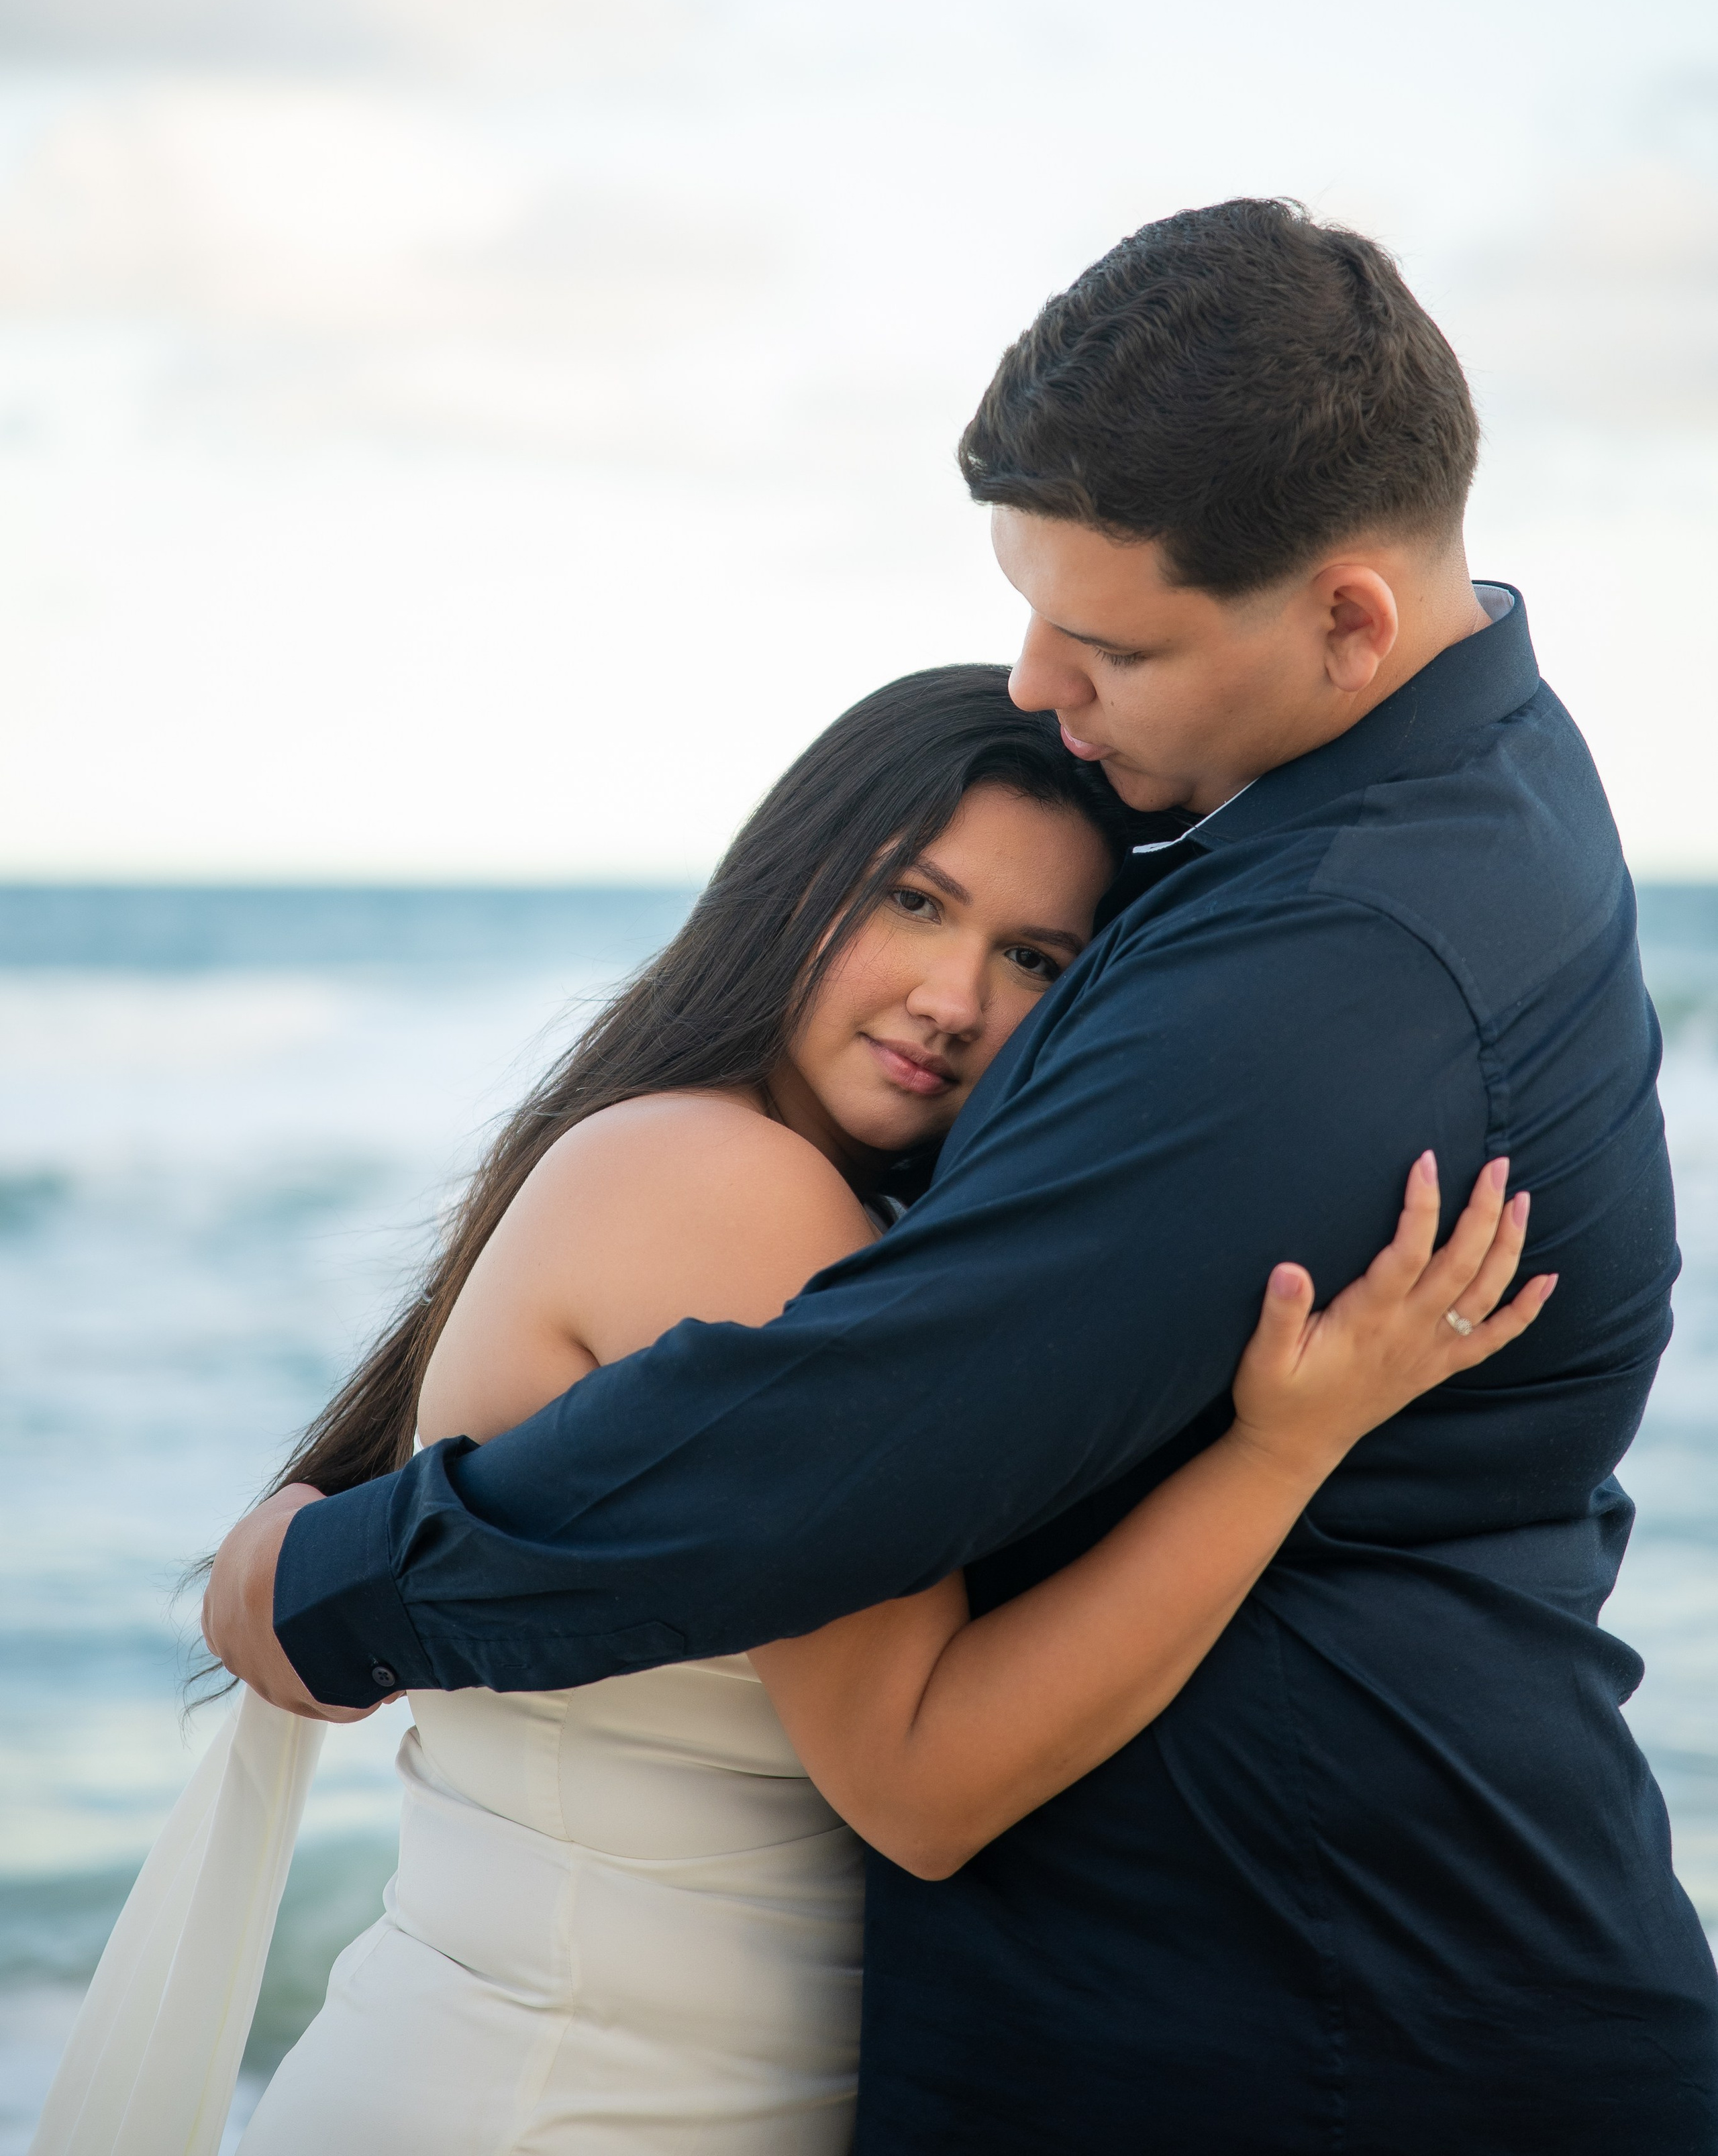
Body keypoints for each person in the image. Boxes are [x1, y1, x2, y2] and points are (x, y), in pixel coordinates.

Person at [207, 200, 1718, 2153]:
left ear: (1349, 617)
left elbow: (863, 1423)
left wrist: (343, 1587)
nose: (1035, 686)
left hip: (1331, 2053)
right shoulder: (1422, 811)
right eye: (1027, 609)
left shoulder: (1340, 956)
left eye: (1106, 642)